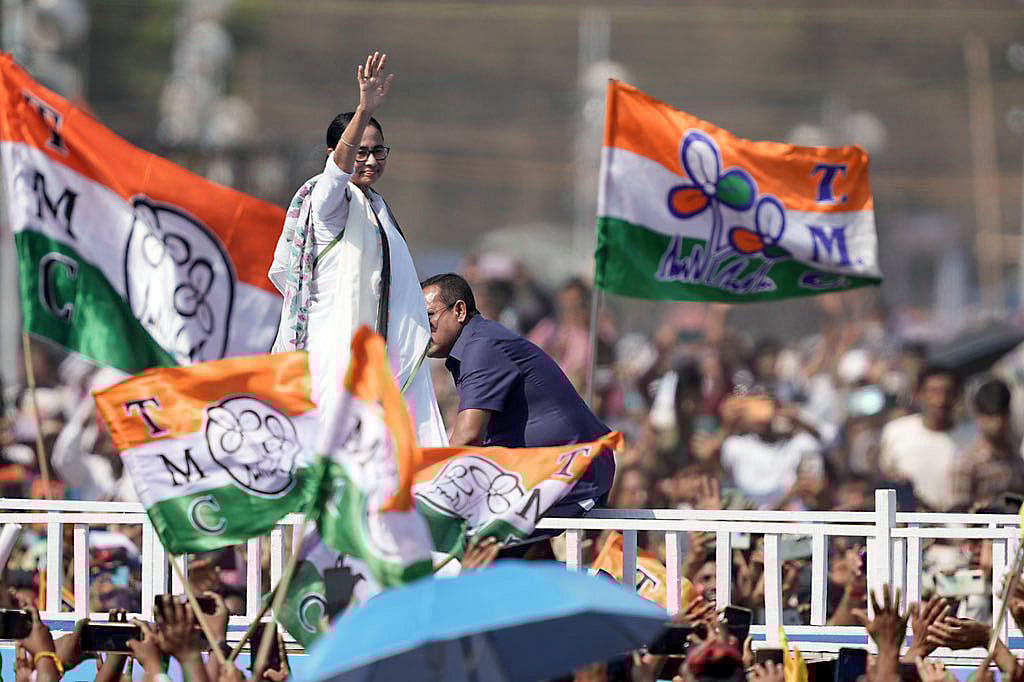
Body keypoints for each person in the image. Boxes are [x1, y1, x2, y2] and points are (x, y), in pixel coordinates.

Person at [268, 51, 446, 448]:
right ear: (336, 154)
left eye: (378, 150)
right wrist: (365, 109)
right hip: (333, 351)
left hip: (375, 356)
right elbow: (337, 175)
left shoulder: (377, 209)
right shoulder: (330, 202)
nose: (370, 160)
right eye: (360, 151)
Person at [420, 272, 614, 514]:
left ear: (459, 311)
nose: (422, 328)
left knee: (451, 528)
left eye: (428, 316)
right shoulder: (476, 343)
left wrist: (420, 483)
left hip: (574, 476)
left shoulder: (481, 346)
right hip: (543, 477)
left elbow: (468, 438)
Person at [879, 365, 966, 511]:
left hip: (963, 529)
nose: (940, 400)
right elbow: (886, 476)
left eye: (948, 392)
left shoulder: (973, 435)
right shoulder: (895, 432)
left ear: (958, 395)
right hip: (914, 529)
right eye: (934, 392)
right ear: (919, 394)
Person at [950, 378, 1024, 509]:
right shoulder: (967, 462)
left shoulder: (1016, 459)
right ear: (979, 416)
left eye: (1001, 415)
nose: (997, 423)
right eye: (990, 416)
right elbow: (958, 514)